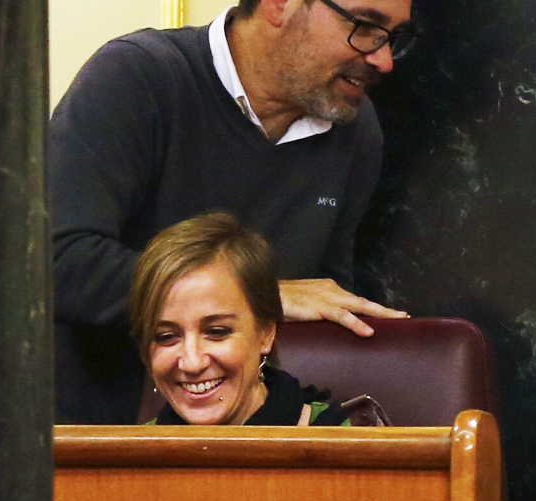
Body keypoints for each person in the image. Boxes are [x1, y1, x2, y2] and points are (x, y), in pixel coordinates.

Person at [50, 0, 416, 423]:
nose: (384, 60)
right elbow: (52, 260)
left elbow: (323, 301)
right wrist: (261, 296)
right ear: (278, 5)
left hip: (257, 444)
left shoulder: (355, 127)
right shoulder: (138, 76)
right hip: (94, 444)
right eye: (365, 27)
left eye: (393, 38)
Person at [131, 213, 350, 426]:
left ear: (266, 333)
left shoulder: (345, 444)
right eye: (166, 336)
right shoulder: (129, 454)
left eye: (216, 332)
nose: (192, 363)